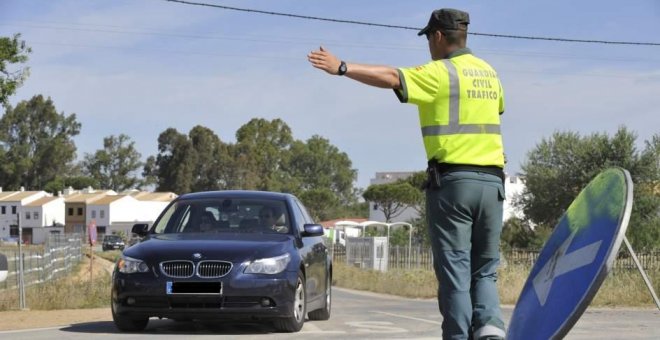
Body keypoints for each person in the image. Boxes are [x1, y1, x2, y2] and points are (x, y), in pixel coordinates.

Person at [307, 8, 506, 340]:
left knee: (455, 271)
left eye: (429, 37)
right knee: (485, 271)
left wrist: (342, 68)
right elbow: (495, 110)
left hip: (454, 185)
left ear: (439, 36)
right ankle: (491, 331)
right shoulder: (490, 73)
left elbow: (392, 77)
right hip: (493, 185)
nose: (428, 44)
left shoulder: (441, 72)